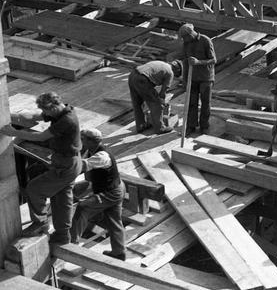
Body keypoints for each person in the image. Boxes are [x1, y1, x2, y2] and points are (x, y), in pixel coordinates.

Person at [0, 92, 82, 244]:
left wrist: (14, 132)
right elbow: (33, 116)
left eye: (45, 111)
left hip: (66, 165)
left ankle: (41, 222)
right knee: (61, 199)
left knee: (34, 189)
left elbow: (41, 136)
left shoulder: (67, 120)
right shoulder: (62, 111)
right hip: (67, 163)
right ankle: (63, 236)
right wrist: (7, 115)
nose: (44, 114)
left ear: (53, 107)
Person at [71, 128, 126, 260]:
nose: (80, 141)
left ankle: (71, 243)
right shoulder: (91, 150)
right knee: (114, 221)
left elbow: (81, 167)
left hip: (110, 192)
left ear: (90, 141)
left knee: (83, 207)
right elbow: (90, 175)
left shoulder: (101, 156)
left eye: (82, 140)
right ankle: (119, 253)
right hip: (115, 188)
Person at [178, 23, 216, 134]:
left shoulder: (205, 40)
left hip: (206, 77)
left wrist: (199, 62)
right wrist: (184, 80)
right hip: (192, 78)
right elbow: (185, 62)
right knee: (191, 102)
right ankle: (191, 125)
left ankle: (204, 126)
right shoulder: (186, 43)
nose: (185, 40)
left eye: (186, 37)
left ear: (191, 34)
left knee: (205, 102)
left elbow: (213, 60)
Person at [128, 59, 182, 134]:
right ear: (177, 70)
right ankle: (160, 128)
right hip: (142, 79)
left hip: (132, 75)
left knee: (137, 103)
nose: (175, 76)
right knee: (156, 104)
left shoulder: (161, 63)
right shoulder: (170, 72)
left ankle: (140, 126)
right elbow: (163, 91)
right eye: (177, 74)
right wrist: (162, 102)